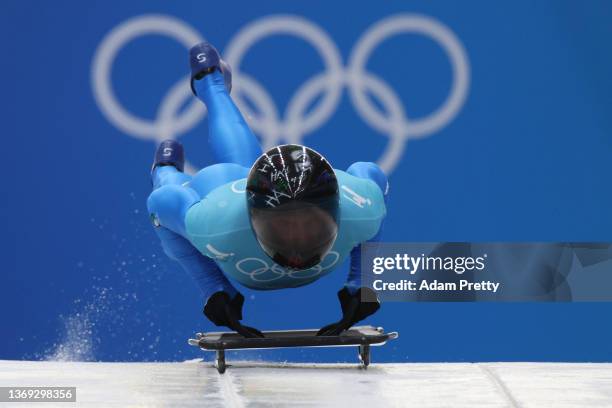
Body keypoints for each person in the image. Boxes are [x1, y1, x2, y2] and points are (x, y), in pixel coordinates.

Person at [147, 41, 388, 337]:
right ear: (253, 217)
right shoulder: (213, 223)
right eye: (285, 226)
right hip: (222, 189)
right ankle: (167, 166)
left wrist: (361, 283)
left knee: (245, 163)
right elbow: (159, 206)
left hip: (240, 218)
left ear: (336, 212)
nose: (299, 242)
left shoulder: (360, 209)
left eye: (312, 224)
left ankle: (211, 81)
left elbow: (372, 177)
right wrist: (213, 287)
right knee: (182, 185)